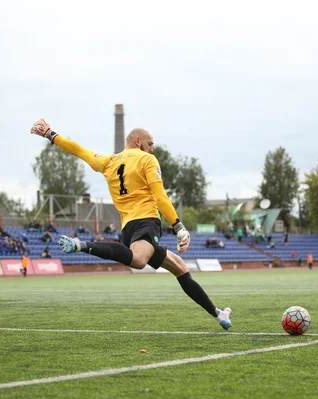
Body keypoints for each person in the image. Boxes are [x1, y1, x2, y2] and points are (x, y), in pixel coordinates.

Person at [30, 118, 232, 330]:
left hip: (129, 229)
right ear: (138, 141)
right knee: (137, 261)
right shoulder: (147, 160)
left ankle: (218, 314)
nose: (152, 148)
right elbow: (160, 196)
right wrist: (178, 225)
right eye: (150, 143)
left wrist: (51, 134)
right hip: (146, 222)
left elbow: (79, 151)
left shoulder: (108, 161)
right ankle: (82, 245)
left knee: (180, 268)